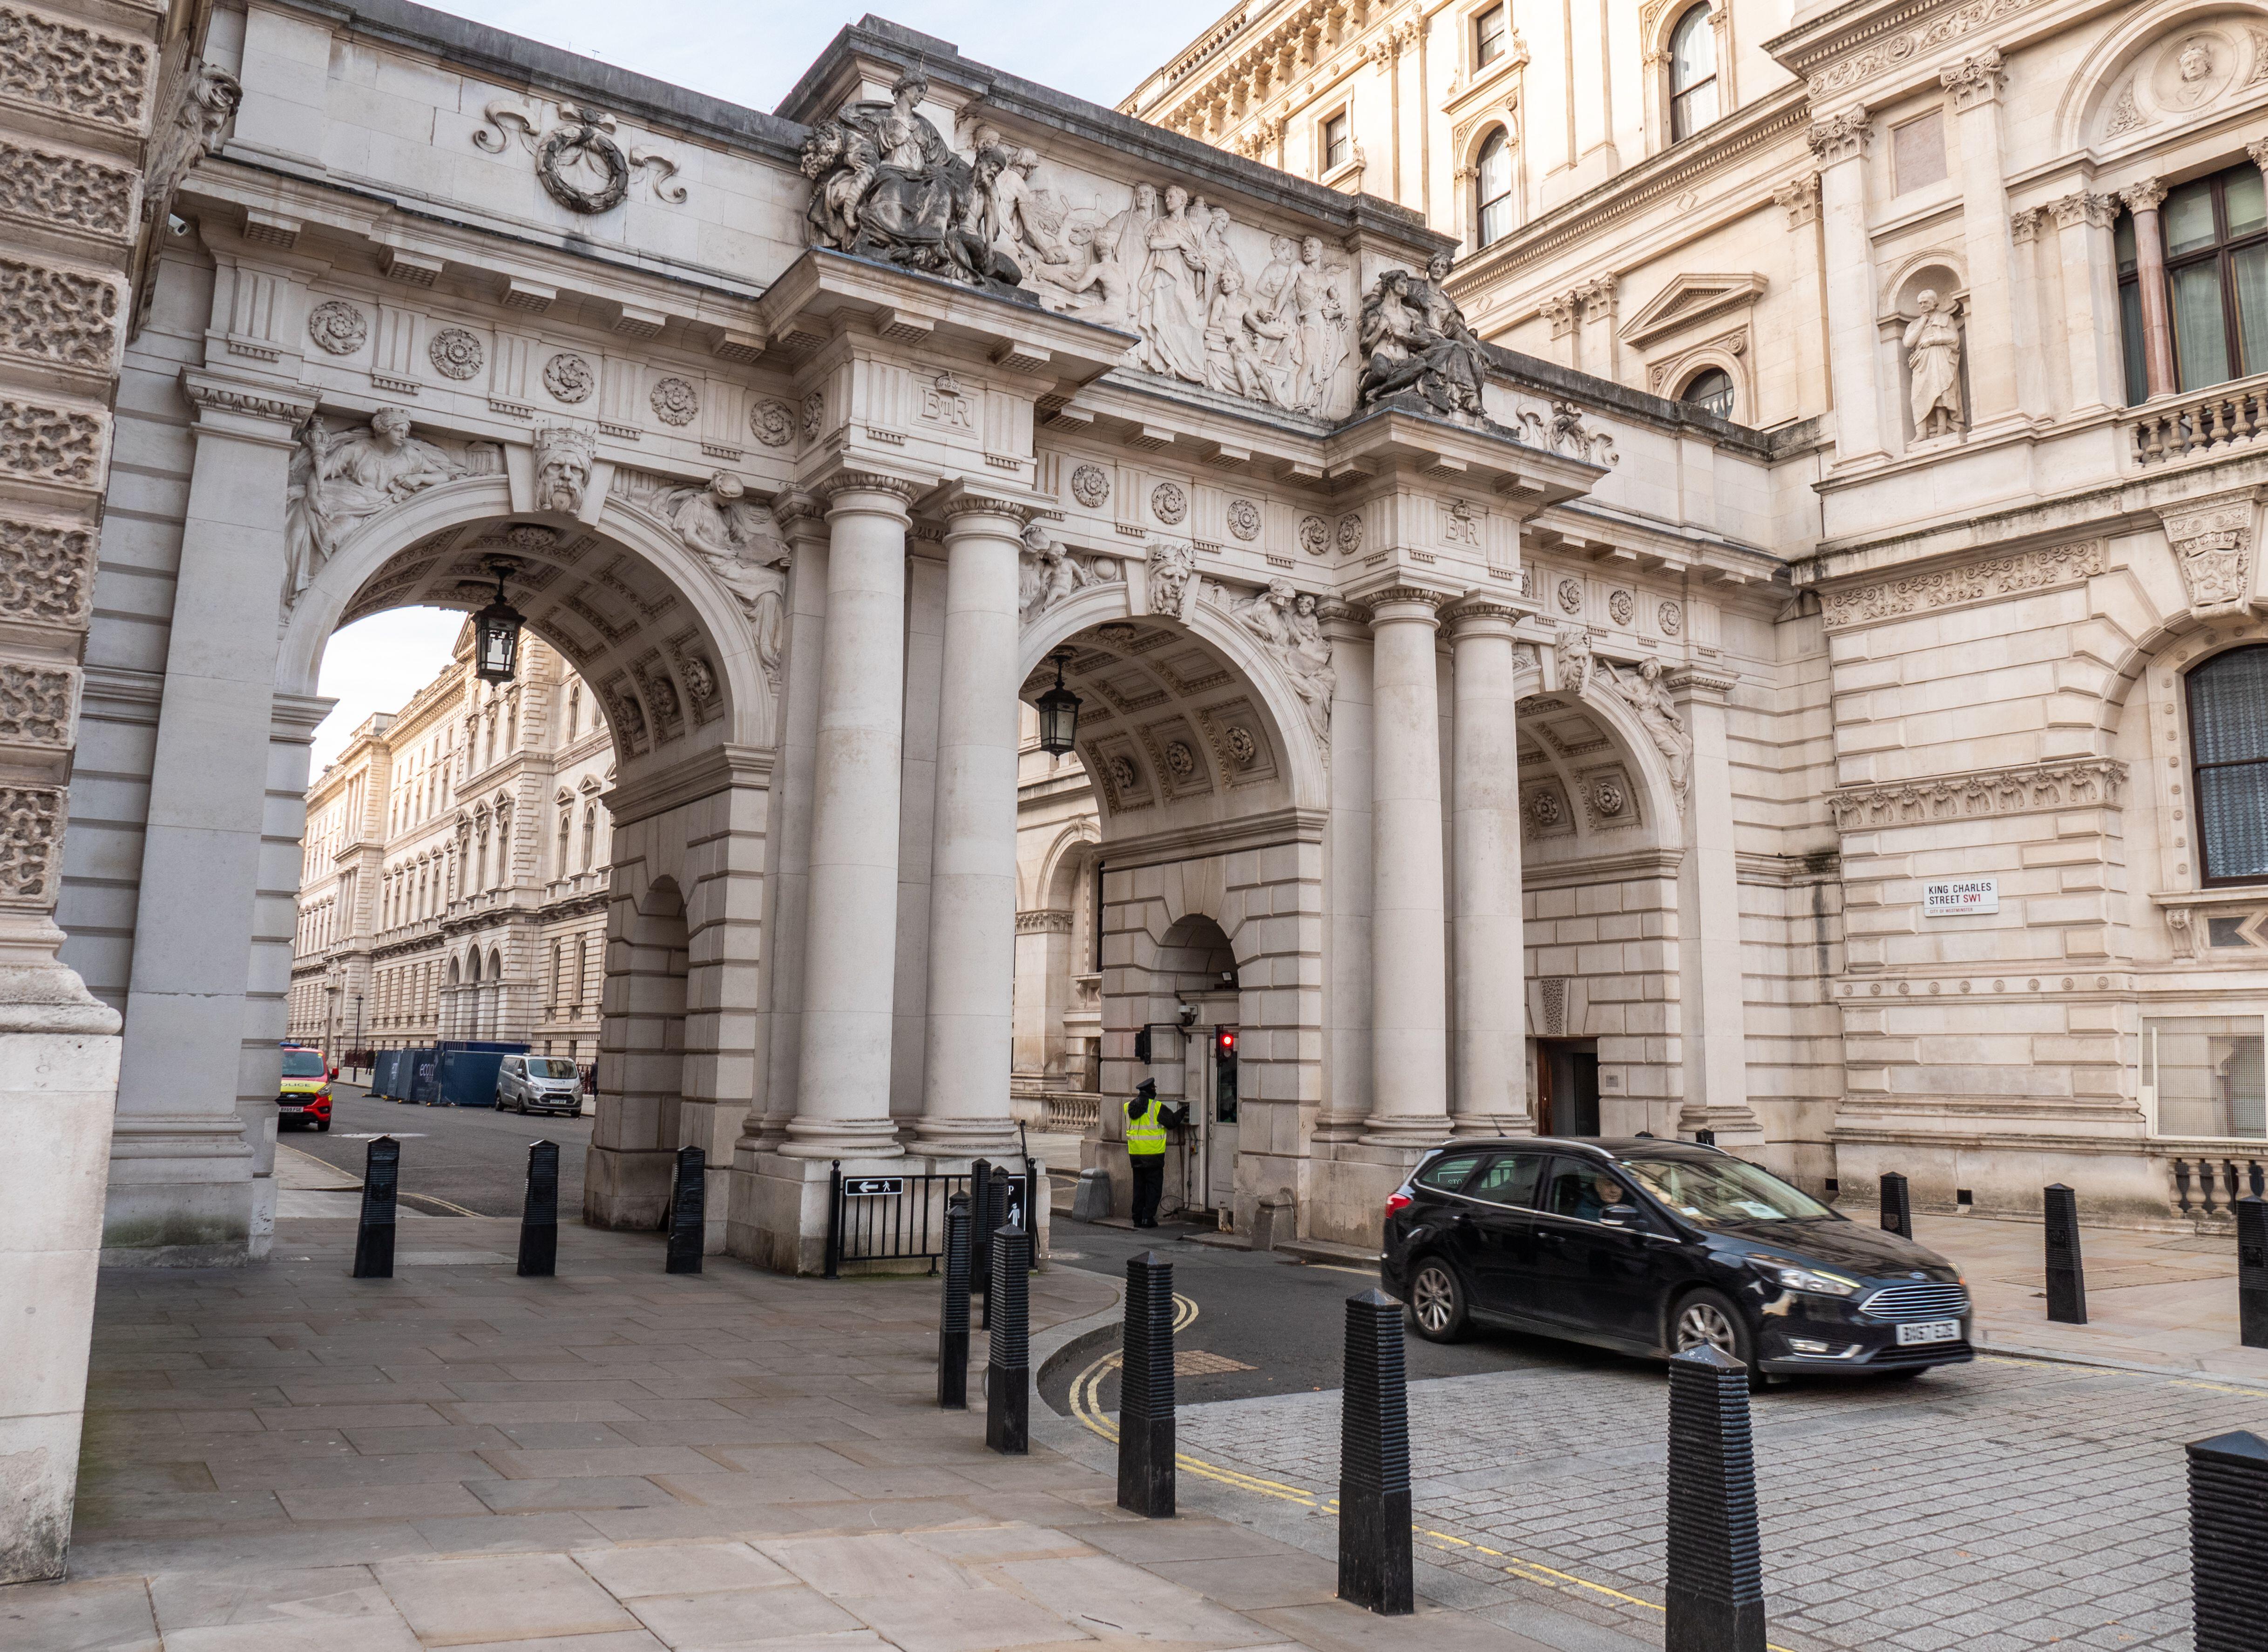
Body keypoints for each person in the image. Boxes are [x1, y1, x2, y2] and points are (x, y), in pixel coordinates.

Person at [1124, 1077, 1187, 1228]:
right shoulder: (1156, 1107)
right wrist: (1183, 1111)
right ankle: (1148, 1218)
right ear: (1151, 1090)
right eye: (1155, 1088)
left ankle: (1137, 1218)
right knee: (1154, 1188)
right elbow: (1171, 1122)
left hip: (1136, 1155)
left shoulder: (1128, 1107)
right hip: (1153, 1156)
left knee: (1139, 1188)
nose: (1156, 1091)